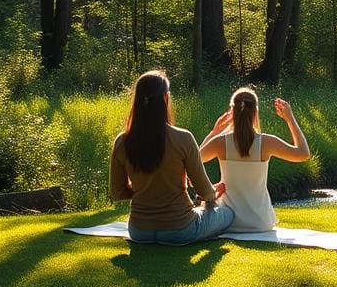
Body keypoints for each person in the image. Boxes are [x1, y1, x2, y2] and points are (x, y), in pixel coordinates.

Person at [109, 70, 235, 244]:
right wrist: (214, 193)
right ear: (165, 99)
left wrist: (146, 191)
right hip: (180, 229)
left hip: (139, 231)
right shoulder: (183, 138)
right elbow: (205, 192)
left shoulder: (122, 141)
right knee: (228, 214)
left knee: (205, 209)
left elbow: (117, 192)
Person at [199, 87, 310, 232]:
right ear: (256, 113)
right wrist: (290, 118)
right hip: (260, 222)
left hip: (229, 222)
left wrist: (214, 132)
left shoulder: (220, 142)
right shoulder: (267, 142)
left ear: (232, 113)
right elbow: (303, 153)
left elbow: (194, 159)